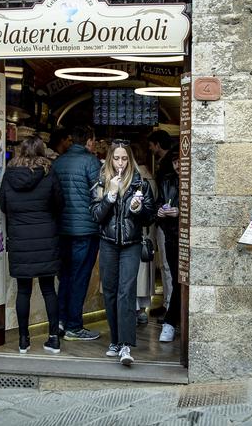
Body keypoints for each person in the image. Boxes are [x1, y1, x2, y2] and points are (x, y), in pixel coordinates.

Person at [90, 139, 156, 366]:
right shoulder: (101, 182)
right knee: (109, 291)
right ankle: (115, 341)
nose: (121, 163)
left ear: (130, 160)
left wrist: (138, 210)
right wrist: (110, 196)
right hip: (107, 242)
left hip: (131, 243)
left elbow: (150, 217)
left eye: (125, 158)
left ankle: (126, 345)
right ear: (110, 159)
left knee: (125, 291)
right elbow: (96, 216)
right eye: (116, 158)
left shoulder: (140, 184)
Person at [0, 135, 65, 354]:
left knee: (23, 290)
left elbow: (3, 205)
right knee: (48, 289)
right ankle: (54, 339)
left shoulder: (9, 175)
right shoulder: (49, 173)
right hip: (46, 236)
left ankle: (23, 340)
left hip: (19, 238)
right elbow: (59, 203)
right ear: (41, 151)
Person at [52, 125, 102, 341]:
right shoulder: (91, 162)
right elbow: (99, 195)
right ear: (89, 141)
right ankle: (74, 325)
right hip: (86, 230)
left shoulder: (58, 161)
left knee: (65, 276)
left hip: (62, 229)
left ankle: (61, 321)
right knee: (80, 276)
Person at [147, 130, 174, 319]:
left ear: (157, 144)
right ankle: (169, 303)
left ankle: (169, 305)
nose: (150, 148)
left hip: (167, 223)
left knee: (166, 264)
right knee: (166, 265)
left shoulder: (166, 166)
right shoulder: (166, 164)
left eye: (151, 144)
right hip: (165, 220)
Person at [131, 143, 156, 325]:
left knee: (136, 271)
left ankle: (135, 309)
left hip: (137, 231)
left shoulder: (137, 180)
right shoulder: (151, 178)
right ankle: (142, 309)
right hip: (149, 232)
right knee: (144, 272)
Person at [157, 150, 181, 343]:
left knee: (181, 282)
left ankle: (170, 322)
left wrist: (180, 212)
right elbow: (158, 203)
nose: (178, 165)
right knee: (176, 280)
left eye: (180, 161)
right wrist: (161, 212)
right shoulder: (167, 181)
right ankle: (172, 322)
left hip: (187, 238)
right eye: (174, 162)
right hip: (172, 237)